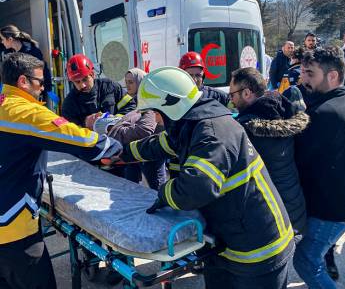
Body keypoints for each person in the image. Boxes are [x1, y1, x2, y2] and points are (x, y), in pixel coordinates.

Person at [118, 66, 294, 288]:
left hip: (258, 249)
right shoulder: (190, 124)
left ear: (170, 106)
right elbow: (161, 144)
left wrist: (162, 193)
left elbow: (193, 190)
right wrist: (122, 153)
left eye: (156, 111)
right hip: (228, 240)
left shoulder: (211, 132)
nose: (154, 117)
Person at [0, 53, 122, 289]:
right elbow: (73, 137)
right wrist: (112, 146)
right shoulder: (24, 111)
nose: (43, 88)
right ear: (23, 82)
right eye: (40, 82)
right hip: (13, 230)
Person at [294, 47, 345, 289]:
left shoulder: (321, 114)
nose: (303, 79)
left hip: (328, 210)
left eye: (310, 74)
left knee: (305, 260)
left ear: (333, 76)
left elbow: (300, 164)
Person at [229, 67, 309, 236]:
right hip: (294, 207)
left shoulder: (247, 130)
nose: (231, 102)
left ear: (247, 93)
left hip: (276, 216)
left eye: (232, 95)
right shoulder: (282, 109)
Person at [93, 68, 167, 190]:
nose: (127, 85)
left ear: (141, 83)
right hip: (137, 153)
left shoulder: (148, 101)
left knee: (158, 190)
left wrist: (115, 131)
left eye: (131, 82)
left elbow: (144, 130)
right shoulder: (136, 102)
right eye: (126, 82)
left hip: (151, 155)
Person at [61, 54, 135, 127]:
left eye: (85, 79)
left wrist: (115, 119)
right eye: (77, 82)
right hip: (91, 139)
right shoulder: (69, 104)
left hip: (115, 135)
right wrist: (85, 123)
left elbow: (131, 106)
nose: (82, 85)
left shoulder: (109, 86)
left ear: (92, 74)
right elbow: (69, 131)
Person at [0, 25, 52, 96]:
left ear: (10, 39)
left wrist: (47, 90)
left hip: (33, 92)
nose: (2, 42)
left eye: (2, 39)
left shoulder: (32, 52)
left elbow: (42, 70)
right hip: (19, 91)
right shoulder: (9, 53)